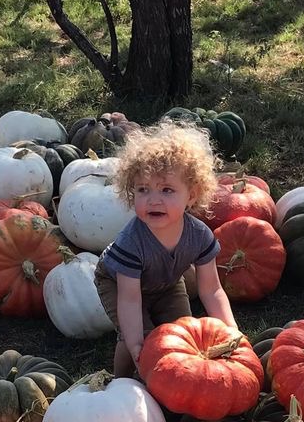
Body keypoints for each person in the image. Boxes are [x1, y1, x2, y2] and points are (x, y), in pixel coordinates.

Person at [94, 121, 237, 378]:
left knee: (183, 333)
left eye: (167, 190)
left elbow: (211, 289)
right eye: (143, 189)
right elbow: (130, 299)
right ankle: (121, 383)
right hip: (118, 284)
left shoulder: (199, 235)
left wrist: (231, 330)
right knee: (133, 338)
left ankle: (179, 379)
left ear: (191, 195)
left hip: (166, 283)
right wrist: (137, 341)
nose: (153, 199)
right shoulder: (131, 243)